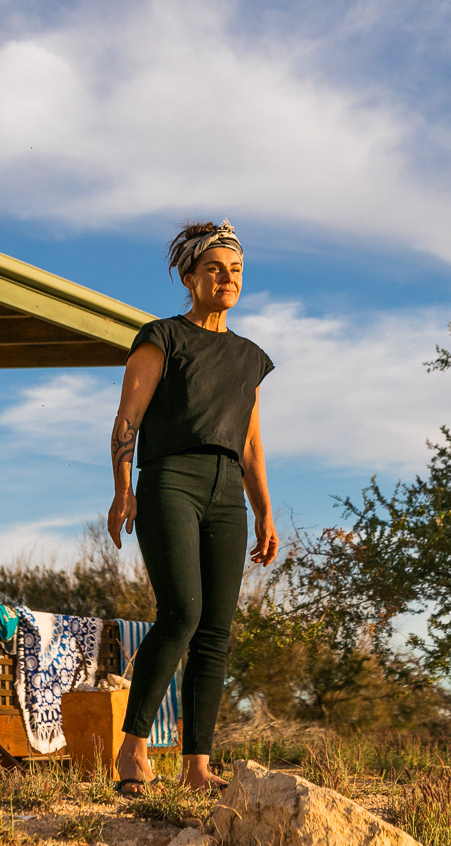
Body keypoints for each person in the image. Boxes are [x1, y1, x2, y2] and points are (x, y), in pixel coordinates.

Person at [107, 219, 279, 794]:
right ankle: (132, 751)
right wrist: (122, 490)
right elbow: (128, 419)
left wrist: (264, 511)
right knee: (181, 613)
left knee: (216, 630)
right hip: (170, 480)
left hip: (228, 490)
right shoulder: (162, 337)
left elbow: (251, 443)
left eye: (234, 270)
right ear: (190, 276)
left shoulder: (251, 357)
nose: (226, 278)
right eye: (214, 268)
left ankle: (197, 766)